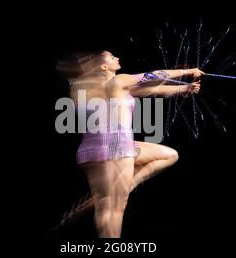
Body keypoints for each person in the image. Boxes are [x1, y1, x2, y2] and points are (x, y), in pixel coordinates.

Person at [56, 50, 204, 238]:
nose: (117, 58)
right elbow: (154, 75)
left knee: (169, 155)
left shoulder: (82, 89)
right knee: (115, 207)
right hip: (117, 147)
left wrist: (183, 89)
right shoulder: (118, 81)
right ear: (104, 66)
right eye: (111, 57)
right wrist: (187, 71)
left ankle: (127, 184)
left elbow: (151, 90)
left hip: (91, 151)